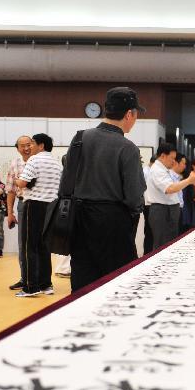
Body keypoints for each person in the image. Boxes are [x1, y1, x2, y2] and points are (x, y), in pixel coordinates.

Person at [65, 87, 146, 292]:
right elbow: (134, 196)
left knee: (83, 282)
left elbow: (65, 183)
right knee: (116, 285)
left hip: (79, 220)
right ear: (129, 114)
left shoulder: (80, 138)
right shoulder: (127, 147)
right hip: (113, 223)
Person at [14, 133, 62, 297]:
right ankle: (46, 285)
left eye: (32, 143)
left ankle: (29, 287)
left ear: (41, 146)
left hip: (34, 205)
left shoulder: (34, 160)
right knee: (44, 247)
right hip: (51, 207)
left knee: (29, 247)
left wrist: (17, 180)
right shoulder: (56, 162)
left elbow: (23, 182)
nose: (29, 147)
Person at [146, 142, 195, 249]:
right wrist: (188, 181)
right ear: (162, 156)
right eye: (172, 158)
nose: (173, 161)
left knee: (169, 244)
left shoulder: (165, 170)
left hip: (168, 209)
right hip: (162, 210)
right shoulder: (157, 170)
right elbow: (170, 188)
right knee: (162, 244)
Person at [5, 135, 34, 290]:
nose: (26, 148)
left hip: (40, 204)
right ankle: (25, 278)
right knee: (23, 243)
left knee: (39, 242)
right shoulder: (14, 164)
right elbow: (10, 191)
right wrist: (10, 213)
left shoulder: (38, 161)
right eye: (22, 145)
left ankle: (41, 280)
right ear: (17, 149)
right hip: (23, 204)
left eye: (29, 144)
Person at [142, 155, 156, 254]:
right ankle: (147, 252)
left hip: (151, 203)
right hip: (148, 204)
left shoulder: (149, 171)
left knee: (151, 230)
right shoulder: (146, 172)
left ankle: (149, 251)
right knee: (149, 230)